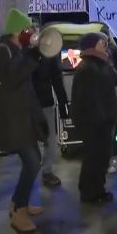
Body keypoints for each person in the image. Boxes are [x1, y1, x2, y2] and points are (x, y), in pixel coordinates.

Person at [0, 8, 47, 232]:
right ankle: (18, 213)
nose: (31, 32)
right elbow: (12, 80)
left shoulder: (17, 50)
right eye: (28, 29)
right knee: (31, 163)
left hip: (23, 117)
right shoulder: (3, 51)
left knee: (34, 161)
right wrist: (33, 56)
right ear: (16, 31)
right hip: (13, 119)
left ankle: (19, 203)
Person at [71, 33, 117, 203]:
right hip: (94, 123)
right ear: (92, 45)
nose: (105, 44)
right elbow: (87, 100)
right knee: (93, 158)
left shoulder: (102, 63)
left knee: (102, 157)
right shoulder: (87, 67)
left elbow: (116, 79)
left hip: (104, 121)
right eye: (102, 42)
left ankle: (99, 189)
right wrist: (100, 119)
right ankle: (89, 193)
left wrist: (109, 58)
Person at [33, 42, 69, 188]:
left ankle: (47, 172)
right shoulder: (22, 54)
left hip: (45, 103)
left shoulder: (50, 54)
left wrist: (63, 106)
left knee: (50, 140)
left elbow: (57, 80)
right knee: (29, 142)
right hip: (25, 104)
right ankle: (31, 171)